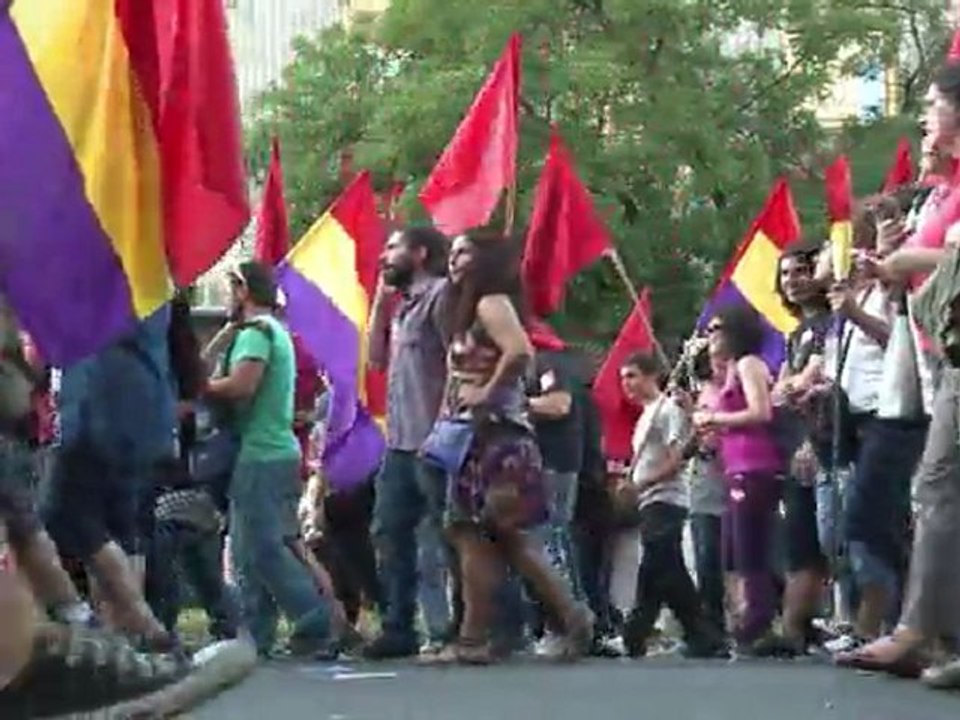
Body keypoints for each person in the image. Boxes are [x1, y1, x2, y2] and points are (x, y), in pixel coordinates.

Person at [427, 231, 592, 665]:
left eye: (464, 251)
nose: (454, 258)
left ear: (487, 260)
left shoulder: (491, 303)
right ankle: (565, 619)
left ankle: (477, 638)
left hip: (499, 438)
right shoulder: (467, 311)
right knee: (490, 537)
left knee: (481, 534)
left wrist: (488, 392)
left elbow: (518, 351)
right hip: (473, 438)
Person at [205, 261, 335, 658]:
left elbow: (241, 386)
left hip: (261, 453)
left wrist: (201, 388)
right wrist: (226, 332)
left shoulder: (257, 335)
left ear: (243, 291)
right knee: (248, 550)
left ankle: (314, 621)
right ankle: (257, 634)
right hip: (272, 452)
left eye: (232, 289)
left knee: (263, 548)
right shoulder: (266, 331)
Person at [365, 226, 453, 659]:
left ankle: (461, 627)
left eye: (392, 247)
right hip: (399, 443)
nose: (383, 255)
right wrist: (381, 302)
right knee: (388, 530)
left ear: (419, 253)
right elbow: (375, 361)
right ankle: (398, 628)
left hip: (435, 441)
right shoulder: (401, 308)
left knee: (449, 536)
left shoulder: (441, 296)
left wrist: (444, 428)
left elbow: (459, 362)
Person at [618, 352, 726, 658]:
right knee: (658, 569)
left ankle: (699, 633)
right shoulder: (646, 414)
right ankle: (637, 634)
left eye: (633, 375)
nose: (627, 384)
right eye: (623, 378)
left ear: (653, 376)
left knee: (666, 570)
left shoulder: (666, 411)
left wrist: (643, 483)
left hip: (666, 498)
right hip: (649, 499)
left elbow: (677, 458)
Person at [694, 305, 784, 653]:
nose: (711, 336)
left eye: (717, 329)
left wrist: (718, 418)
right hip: (735, 466)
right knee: (734, 549)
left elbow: (761, 411)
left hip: (755, 465)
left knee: (750, 549)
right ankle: (754, 616)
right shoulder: (730, 370)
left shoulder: (749, 364)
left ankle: (759, 620)